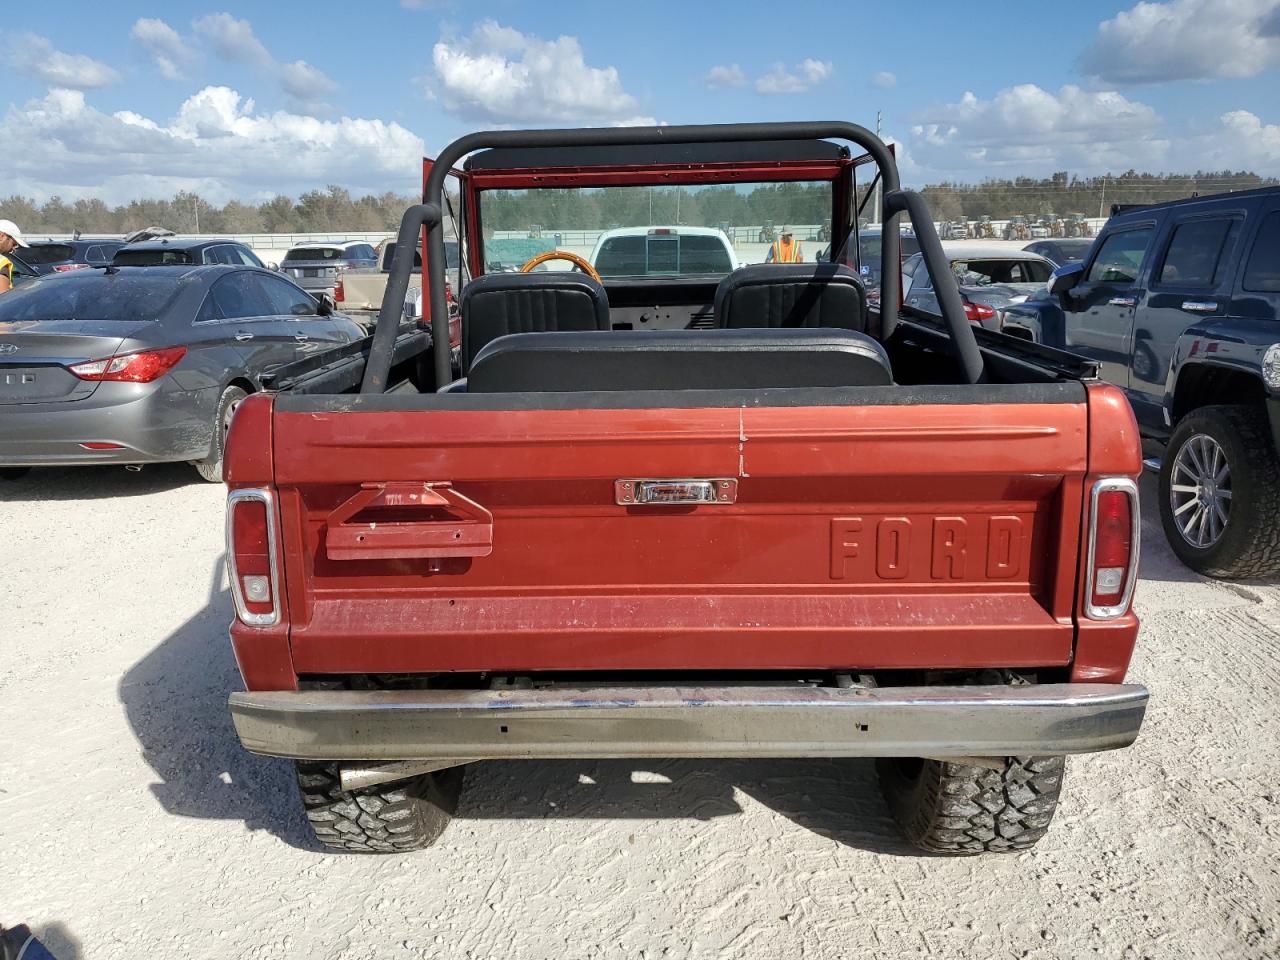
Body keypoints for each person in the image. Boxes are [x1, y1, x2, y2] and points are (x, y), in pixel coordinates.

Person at [0, 218, 31, 295]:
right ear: (1, 236)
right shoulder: (1, 262)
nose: (13, 249)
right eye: (13, 244)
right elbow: (3, 299)